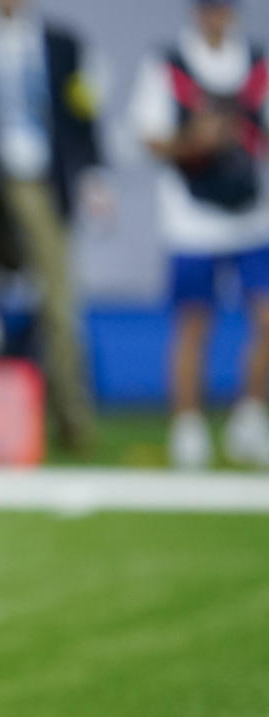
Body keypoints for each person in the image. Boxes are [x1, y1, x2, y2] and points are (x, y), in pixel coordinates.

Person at [0, 0, 108, 452]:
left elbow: (81, 114)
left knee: (59, 303)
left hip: (46, 185)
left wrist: (94, 175)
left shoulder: (62, 44)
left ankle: (72, 420)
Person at [128, 0, 269, 469]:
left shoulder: (256, 64)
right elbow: (148, 137)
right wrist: (194, 141)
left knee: (266, 317)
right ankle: (187, 426)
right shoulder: (168, 64)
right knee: (193, 323)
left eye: (223, 8)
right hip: (191, 216)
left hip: (252, 213)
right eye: (209, 7)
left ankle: (250, 417)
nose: (216, 17)